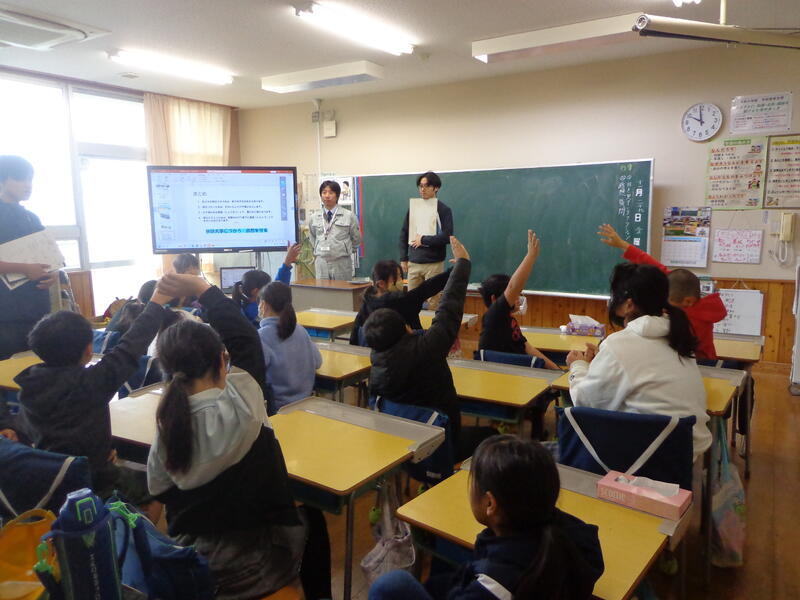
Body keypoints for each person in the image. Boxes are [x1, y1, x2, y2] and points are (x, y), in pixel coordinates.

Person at [147, 273, 326, 600]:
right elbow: (244, 339)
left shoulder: (167, 426)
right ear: (222, 360)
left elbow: (158, 489)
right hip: (256, 566)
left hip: (192, 568)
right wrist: (202, 288)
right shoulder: (243, 402)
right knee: (312, 514)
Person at [368, 435, 604, 600]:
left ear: (490, 503)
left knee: (391, 585)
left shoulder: (493, 587)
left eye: (473, 482)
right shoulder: (571, 532)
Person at [15, 279, 173, 510]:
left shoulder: (28, 383)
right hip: (91, 478)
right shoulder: (91, 383)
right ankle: (133, 531)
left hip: (48, 477)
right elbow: (131, 345)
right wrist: (157, 301)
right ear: (89, 350)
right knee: (158, 488)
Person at [363, 237, 491, 460]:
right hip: (440, 447)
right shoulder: (425, 351)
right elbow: (448, 311)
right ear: (403, 329)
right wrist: (462, 265)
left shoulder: (377, 366)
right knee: (491, 436)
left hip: (402, 448)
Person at [566, 263, 711, 460]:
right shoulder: (677, 336)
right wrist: (603, 358)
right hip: (684, 455)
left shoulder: (619, 344)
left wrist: (578, 366)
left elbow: (585, 401)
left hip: (643, 459)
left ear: (628, 304)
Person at [598, 223, 726, 360]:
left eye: (669, 301)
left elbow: (683, 346)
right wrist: (623, 244)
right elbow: (650, 263)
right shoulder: (677, 283)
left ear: (688, 301)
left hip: (699, 360)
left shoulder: (699, 315)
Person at [0, 156, 57, 360]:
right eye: (20, 179)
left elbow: (49, 257)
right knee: (8, 372)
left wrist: (52, 274)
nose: (28, 185)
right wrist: (25, 268)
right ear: (3, 180)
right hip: (6, 316)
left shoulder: (31, 217)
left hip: (37, 311)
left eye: (30, 179)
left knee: (39, 367)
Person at [478, 230, 558, 370]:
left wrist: (556, 370)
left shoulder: (509, 320)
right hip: (501, 375)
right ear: (494, 299)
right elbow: (513, 287)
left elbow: (527, 347)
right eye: (514, 296)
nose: (518, 299)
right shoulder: (493, 316)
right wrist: (531, 256)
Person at [349, 259, 450, 345]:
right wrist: (454, 270)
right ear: (381, 284)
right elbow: (427, 288)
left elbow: (355, 330)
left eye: (401, 276)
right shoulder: (400, 300)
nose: (401, 280)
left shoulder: (368, 300)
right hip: (403, 350)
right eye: (397, 277)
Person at [258, 281, 322, 414]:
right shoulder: (300, 330)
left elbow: (254, 375)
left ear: (264, 305)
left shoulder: (262, 336)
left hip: (278, 409)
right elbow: (318, 362)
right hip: (306, 404)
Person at [399, 171, 454, 305]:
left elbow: (447, 237)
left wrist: (423, 239)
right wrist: (403, 258)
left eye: (427, 186)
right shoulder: (414, 208)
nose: (422, 189)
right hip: (414, 263)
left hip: (433, 264)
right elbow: (404, 232)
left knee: (433, 303)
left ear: (436, 188)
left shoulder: (443, 210)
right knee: (411, 302)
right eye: (421, 186)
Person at [232, 243, 301, 328]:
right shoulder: (259, 310)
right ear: (255, 291)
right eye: (268, 287)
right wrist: (287, 262)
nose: (271, 290)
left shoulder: (243, 306)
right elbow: (277, 290)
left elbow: (277, 287)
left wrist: (287, 263)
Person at [308, 180, 362, 280]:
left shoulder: (349, 216)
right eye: (324, 192)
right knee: (322, 290)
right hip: (321, 262)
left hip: (341, 262)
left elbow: (356, 239)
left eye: (331, 192)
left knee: (342, 289)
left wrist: (344, 250)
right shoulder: (314, 217)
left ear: (337, 195)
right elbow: (312, 237)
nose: (327, 196)